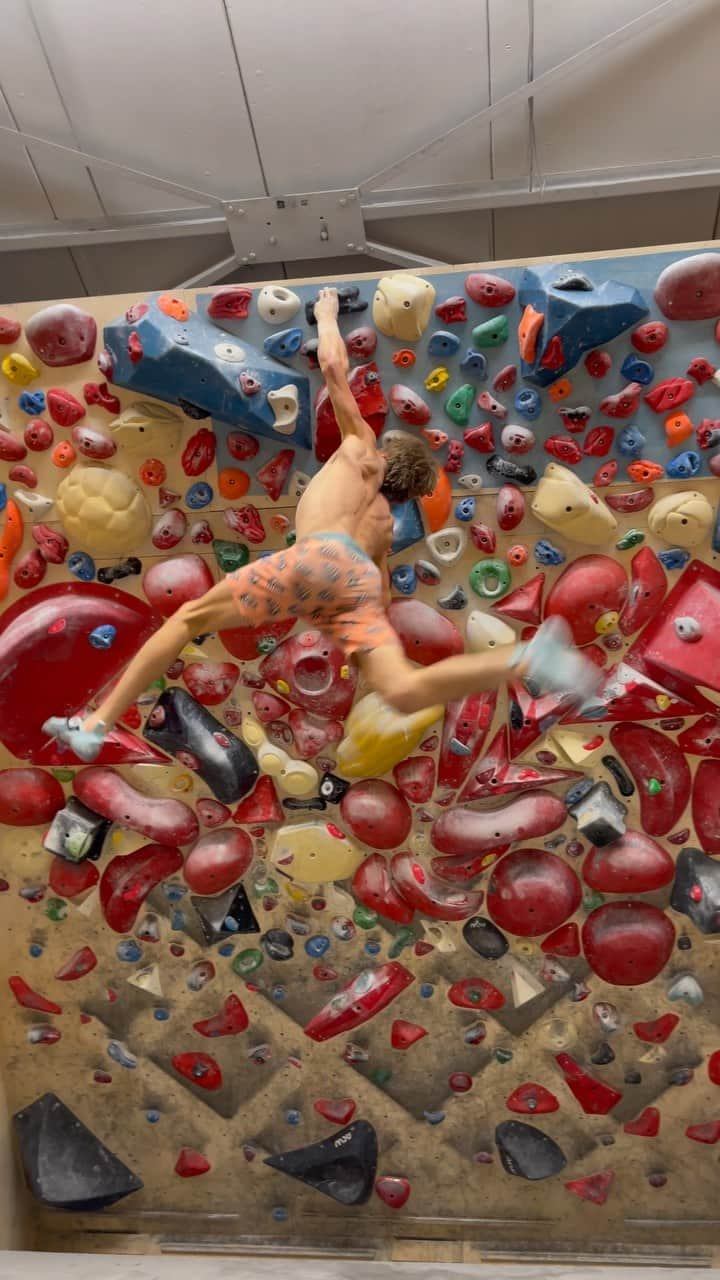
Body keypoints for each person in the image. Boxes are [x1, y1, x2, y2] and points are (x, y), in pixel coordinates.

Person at [43, 287, 599, 762]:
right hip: (352, 584)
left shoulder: (361, 451)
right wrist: (344, 623)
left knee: (188, 619)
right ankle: (524, 659)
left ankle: (95, 726)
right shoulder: (384, 524)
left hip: (320, 557)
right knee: (402, 690)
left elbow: (334, 368)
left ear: (388, 452)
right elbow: (376, 591)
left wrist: (328, 315)